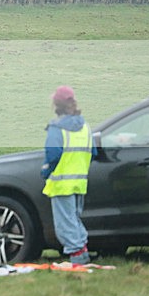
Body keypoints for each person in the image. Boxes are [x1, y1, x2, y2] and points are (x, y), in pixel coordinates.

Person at [41, 85, 97, 265]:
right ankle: (83, 254)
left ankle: (77, 258)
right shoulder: (85, 127)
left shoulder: (56, 128)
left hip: (61, 184)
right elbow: (93, 152)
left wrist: (45, 171)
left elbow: (53, 155)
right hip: (80, 183)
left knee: (65, 225)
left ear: (56, 105)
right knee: (74, 220)